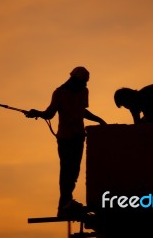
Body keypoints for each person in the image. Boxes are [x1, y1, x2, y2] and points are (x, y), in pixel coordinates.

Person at [25, 66, 107, 217]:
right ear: (73, 79)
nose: (85, 85)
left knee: (74, 172)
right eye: (82, 82)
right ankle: (64, 205)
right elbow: (50, 114)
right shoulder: (59, 93)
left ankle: (67, 203)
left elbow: (82, 111)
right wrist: (36, 113)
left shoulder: (83, 91)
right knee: (66, 172)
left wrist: (99, 119)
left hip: (78, 137)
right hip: (65, 138)